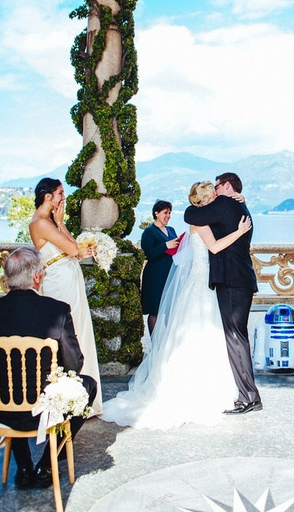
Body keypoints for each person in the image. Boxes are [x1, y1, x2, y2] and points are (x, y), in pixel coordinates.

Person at [100, 182, 251, 430]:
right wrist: (240, 231)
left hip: (204, 282)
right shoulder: (199, 221)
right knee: (201, 330)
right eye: (212, 194)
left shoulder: (203, 218)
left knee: (209, 330)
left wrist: (240, 200)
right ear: (204, 199)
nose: (216, 196)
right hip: (202, 284)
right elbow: (214, 246)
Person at [0, 247, 97, 490]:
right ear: (36, 277)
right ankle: (47, 463)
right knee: (88, 385)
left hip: (2, 410)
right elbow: (75, 364)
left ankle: (23, 467)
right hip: (47, 408)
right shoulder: (57, 310)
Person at [184, 172, 261, 414]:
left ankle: (249, 397)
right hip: (241, 279)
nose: (214, 191)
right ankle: (248, 394)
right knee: (238, 337)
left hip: (231, 281)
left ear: (226, 186)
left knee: (235, 339)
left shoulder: (225, 203)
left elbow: (190, 214)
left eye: (217, 186)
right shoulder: (241, 207)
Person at [29, 178, 102, 416]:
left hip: (70, 276)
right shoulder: (40, 223)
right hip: (58, 282)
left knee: (80, 329)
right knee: (68, 333)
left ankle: (85, 400)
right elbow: (72, 249)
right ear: (48, 196)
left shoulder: (52, 222)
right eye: (60, 193)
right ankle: (67, 397)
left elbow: (75, 248)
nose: (63, 198)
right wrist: (63, 229)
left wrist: (63, 226)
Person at [140, 199, 179, 334]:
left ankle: (169, 341)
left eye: (169, 213)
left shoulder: (171, 230)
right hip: (155, 276)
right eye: (165, 212)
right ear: (156, 213)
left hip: (170, 273)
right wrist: (165, 246)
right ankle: (155, 342)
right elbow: (148, 254)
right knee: (155, 310)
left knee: (171, 309)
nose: (168, 216)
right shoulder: (149, 232)